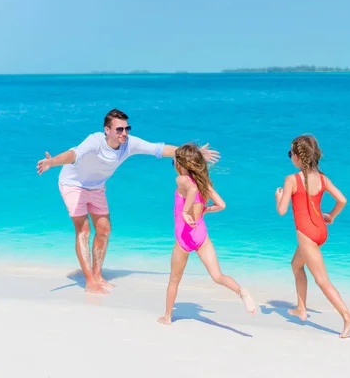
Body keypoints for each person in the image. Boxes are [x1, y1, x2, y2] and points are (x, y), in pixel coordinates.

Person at [36, 109, 220, 294]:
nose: (124, 133)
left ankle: (98, 275)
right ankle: (90, 281)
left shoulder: (129, 143)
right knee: (83, 229)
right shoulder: (95, 141)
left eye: (126, 128)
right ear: (107, 130)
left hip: (97, 186)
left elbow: (159, 149)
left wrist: (195, 153)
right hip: (73, 184)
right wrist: (53, 162)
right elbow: (73, 155)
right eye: (119, 129)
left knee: (104, 229)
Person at [157, 143, 256, 324]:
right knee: (218, 276)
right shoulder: (204, 183)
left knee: (174, 280)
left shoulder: (181, 180)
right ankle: (241, 291)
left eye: (174, 162)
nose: (174, 165)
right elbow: (222, 205)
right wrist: (204, 210)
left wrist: (187, 212)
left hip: (184, 238)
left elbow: (191, 189)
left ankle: (167, 316)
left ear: (182, 165)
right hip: (201, 235)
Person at [274, 134, 350, 338]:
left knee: (322, 280)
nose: (290, 156)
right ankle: (301, 309)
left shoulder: (292, 180)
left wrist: (278, 197)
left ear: (298, 157)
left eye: (290, 153)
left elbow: (282, 211)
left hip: (307, 235)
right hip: (320, 230)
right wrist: (332, 216)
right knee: (296, 265)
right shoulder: (322, 178)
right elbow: (342, 200)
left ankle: (347, 316)